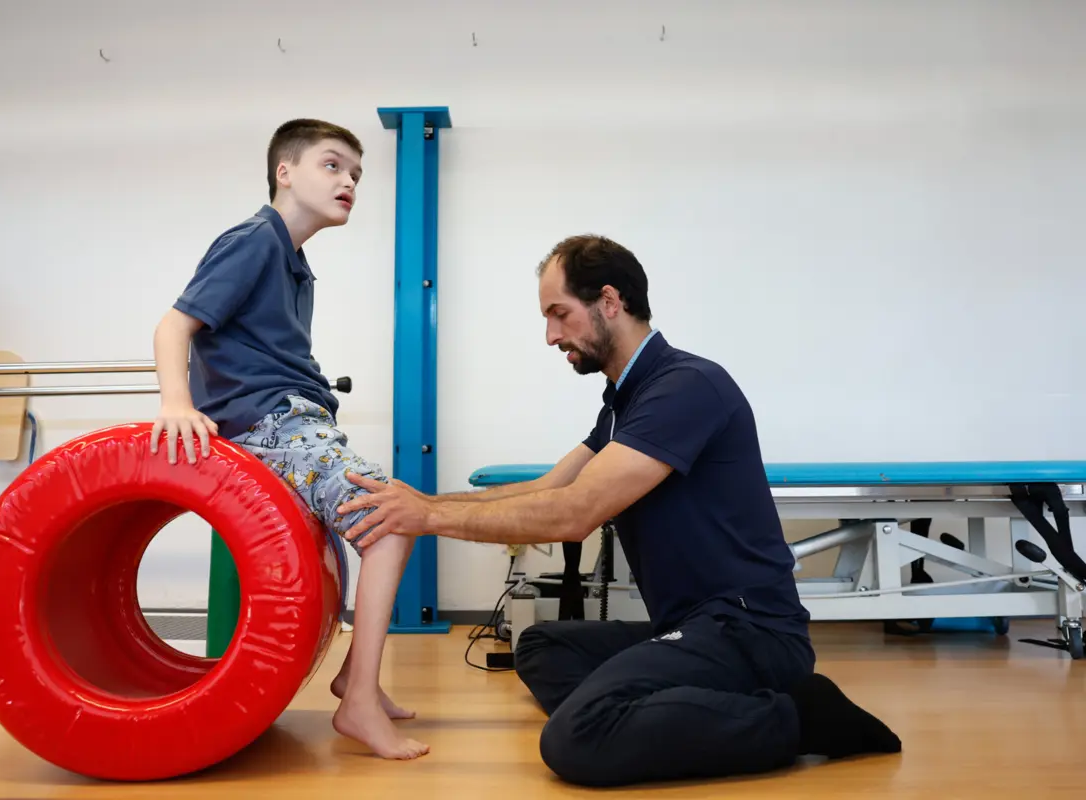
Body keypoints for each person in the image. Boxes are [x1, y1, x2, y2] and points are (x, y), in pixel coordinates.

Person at [334, 234, 903, 786]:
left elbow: (572, 513)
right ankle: (674, 707)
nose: (551, 336)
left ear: (609, 301)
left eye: (560, 314)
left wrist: (428, 520)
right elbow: (548, 487)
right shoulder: (622, 405)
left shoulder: (685, 386)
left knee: (574, 740)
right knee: (541, 646)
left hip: (748, 631)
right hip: (686, 627)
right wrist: (422, 502)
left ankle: (796, 719)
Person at [148, 118, 429, 761]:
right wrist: (177, 404)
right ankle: (358, 699)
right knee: (391, 517)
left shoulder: (295, 263)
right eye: (333, 165)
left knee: (392, 513)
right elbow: (172, 326)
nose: (350, 181)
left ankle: (357, 678)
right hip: (271, 424)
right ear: (285, 171)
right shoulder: (254, 240)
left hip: (298, 418)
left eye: (357, 173)